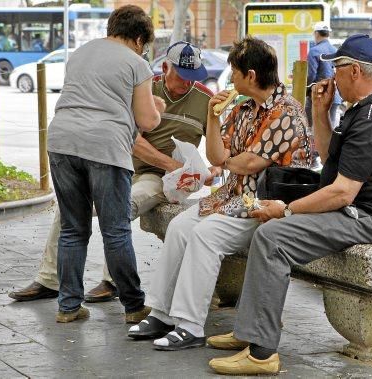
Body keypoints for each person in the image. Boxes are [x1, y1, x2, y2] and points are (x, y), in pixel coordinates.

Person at [207, 34, 372, 375]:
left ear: (353, 72)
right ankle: (249, 331)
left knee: (272, 237)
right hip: (358, 209)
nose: (332, 78)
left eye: (336, 69)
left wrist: (287, 210)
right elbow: (329, 159)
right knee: (270, 231)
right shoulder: (368, 108)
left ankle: (262, 353)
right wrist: (320, 112)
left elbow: (341, 193)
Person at [127, 36, 312, 351]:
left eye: (235, 72)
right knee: (180, 227)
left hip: (264, 205)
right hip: (233, 197)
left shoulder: (287, 112)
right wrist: (212, 118)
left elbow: (250, 162)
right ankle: (162, 313)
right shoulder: (242, 108)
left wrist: (227, 161)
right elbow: (217, 158)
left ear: (250, 75)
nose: (231, 79)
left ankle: (190, 325)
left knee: (206, 235)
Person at [8, 41, 215, 306]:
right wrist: (172, 164)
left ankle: (112, 280)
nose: (187, 83)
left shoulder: (205, 98)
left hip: (158, 179)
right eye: (182, 76)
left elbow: (217, 146)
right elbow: (132, 140)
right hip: (118, 164)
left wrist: (211, 169)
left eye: (193, 77)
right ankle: (49, 280)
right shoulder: (144, 86)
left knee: (122, 208)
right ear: (165, 67)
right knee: (68, 210)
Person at [46, 5, 164, 323]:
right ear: (139, 39)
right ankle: (134, 306)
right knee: (115, 231)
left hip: (61, 140)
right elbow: (147, 121)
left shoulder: (80, 53)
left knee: (73, 228)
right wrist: (159, 107)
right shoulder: (136, 63)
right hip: (104, 146)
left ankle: (68, 307)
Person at [305, 21, 343, 169]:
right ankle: (329, 162)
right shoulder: (335, 50)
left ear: (316, 34)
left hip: (318, 95)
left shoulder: (314, 51)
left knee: (309, 126)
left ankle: (312, 158)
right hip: (335, 96)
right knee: (330, 127)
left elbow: (310, 75)